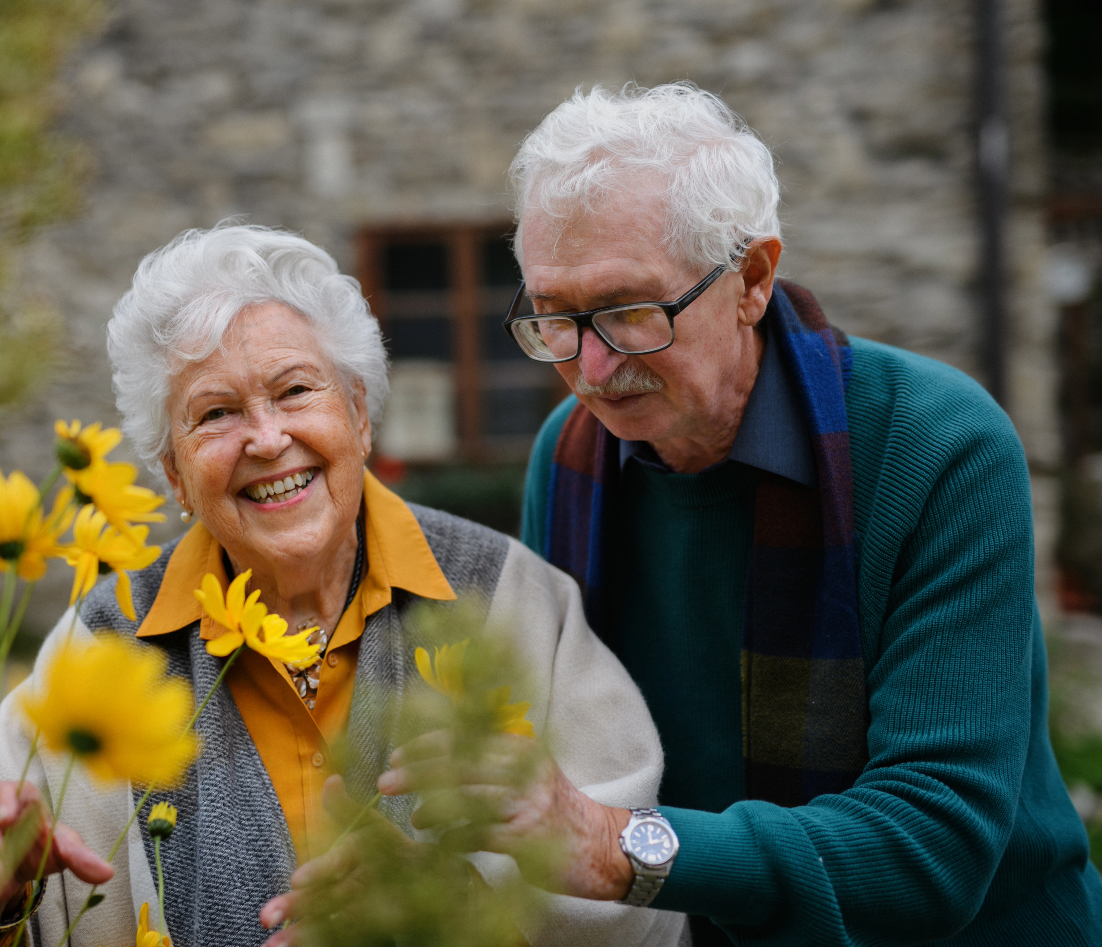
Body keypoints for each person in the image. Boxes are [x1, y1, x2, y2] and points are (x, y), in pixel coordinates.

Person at [376, 83, 1102, 945]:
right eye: (555, 318)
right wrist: (408, 859)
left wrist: (618, 848)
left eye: (629, 313)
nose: (593, 370)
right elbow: (556, 763)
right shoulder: (567, 458)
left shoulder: (937, 444)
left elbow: (932, 844)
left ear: (751, 278)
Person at [0, 224, 685, 947]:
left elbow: (636, 889)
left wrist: (463, 905)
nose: (268, 439)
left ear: (360, 414)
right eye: (215, 414)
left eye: (296, 390)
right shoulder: (110, 639)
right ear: (174, 473)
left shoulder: (506, 597)